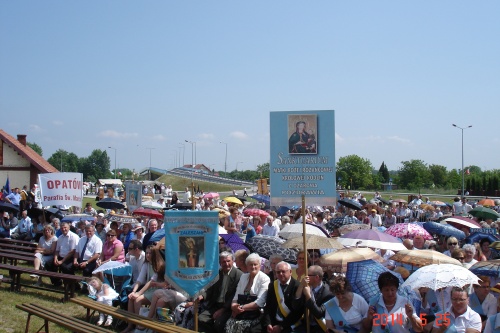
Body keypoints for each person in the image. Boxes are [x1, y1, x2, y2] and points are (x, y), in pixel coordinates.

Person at [121, 246, 165, 333]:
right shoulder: (146, 264)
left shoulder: (159, 265)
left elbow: (151, 282)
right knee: (131, 298)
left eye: (150, 253)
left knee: (137, 300)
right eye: (147, 253)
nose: (148, 255)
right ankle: (130, 325)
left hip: (157, 290)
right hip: (149, 290)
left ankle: (140, 326)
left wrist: (138, 293)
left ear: (155, 254)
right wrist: (134, 291)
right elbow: (140, 280)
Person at [197, 251, 243, 333]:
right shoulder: (217, 274)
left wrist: (223, 309)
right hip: (215, 305)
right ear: (220, 263)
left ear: (233, 261)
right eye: (223, 262)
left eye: (228, 261)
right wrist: (202, 296)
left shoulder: (239, 275)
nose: (226, 264)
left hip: (228, 307)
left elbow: (235, 295)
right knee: (201, 319)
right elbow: (210, 289)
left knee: (219, 323)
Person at [225, 253, 270, 333]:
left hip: (256, 313)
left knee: (243, 327)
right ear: (247, 266)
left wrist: (241, 308)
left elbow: (260, 302)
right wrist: (233, 306)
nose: (253, 267)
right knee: (228, 324)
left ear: (259, 265)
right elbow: (236, 296)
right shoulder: (243, 277)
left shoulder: (265, 279)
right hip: (240, 311)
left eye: (255, 264)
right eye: (250, 265)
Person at [261, 261, 303, 333]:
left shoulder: (298, 286)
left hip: (291, 324)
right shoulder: (272, 285)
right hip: (274, 323)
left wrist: (281, 326)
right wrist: (268, 323)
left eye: (283, 271)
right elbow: (268, 306)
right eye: (278, 272)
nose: (281, 274)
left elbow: (298, 311)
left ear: (290, 272)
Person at [295, 265, 334, 333]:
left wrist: (308, 296)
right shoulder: (306, 287)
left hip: (319, 327)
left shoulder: (328, 293)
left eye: (308, 275)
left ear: (316, 277)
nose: (306, 277)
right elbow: (295, 305)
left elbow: (319, 313)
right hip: (305, 324)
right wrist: (301, 286)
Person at [45, 221, 80, 286]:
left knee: (65, 267)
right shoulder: (60, 237)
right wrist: (55, 259)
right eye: (62, 228)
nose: (63, 229)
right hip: (60, 256)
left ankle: (74, 285)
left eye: (65, 227)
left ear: (69, 228)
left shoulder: (74, 237)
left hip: (70, 258)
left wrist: (62, 261)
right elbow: (57, 250)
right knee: (48, 264)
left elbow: (72, 251)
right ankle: (57, 281)